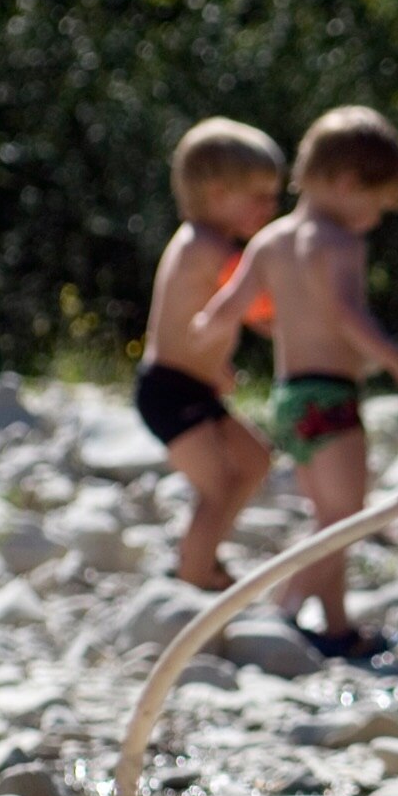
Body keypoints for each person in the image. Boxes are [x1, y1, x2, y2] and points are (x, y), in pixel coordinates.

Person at [189, 105, 398, 656]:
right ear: (348, 183)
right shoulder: (341, 243)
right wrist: (397, 360)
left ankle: (336, 627)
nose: (373, 221)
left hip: (289, 399)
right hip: (332, 394)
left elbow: (228, 308)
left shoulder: (272, 240)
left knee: (329, 517)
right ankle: (284, 609)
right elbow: (349, 314)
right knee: (345, 522)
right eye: (374, 207)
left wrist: (205, 345)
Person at [136, 119, 283, 590]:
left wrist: (217, 366)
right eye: (260, 195)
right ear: (219, 194)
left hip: (192, 383)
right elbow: (258, 308)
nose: (271, 207)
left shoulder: (206, 244)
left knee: (255, 460)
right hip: (168, 387)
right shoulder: (207, 247)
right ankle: (193, 578)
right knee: (217, 485)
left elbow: (191, 322)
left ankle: (201, 556)